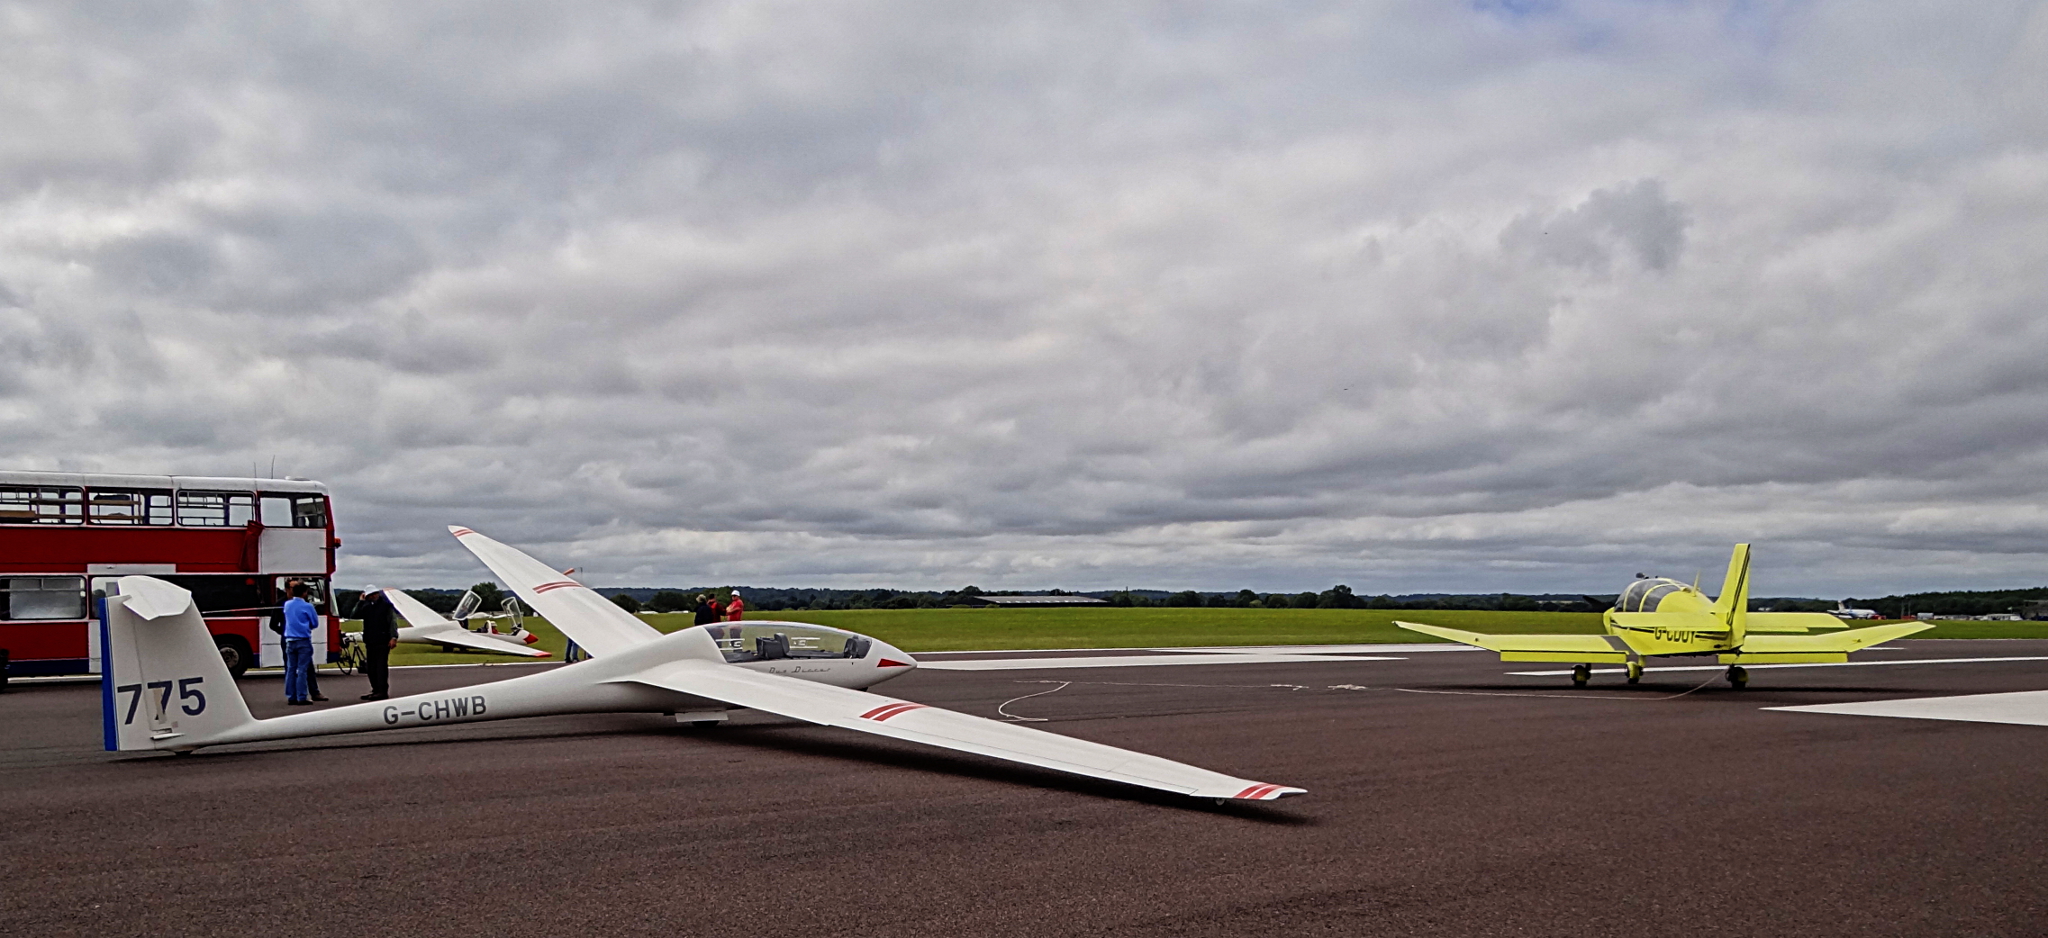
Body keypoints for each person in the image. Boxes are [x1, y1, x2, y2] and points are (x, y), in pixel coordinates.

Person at [356, 586, 399, 701]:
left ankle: (382, 691)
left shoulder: (386, 606)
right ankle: (375, 689)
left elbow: (392, 622)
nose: (373, 596)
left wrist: (393, 637)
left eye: (374, 594)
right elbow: (354, 615)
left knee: (380, 667)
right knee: (371, 668)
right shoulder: (366, 607)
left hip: (383, 640)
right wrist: (360, 602)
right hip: (370, 640)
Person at [282, 581, 320, 705]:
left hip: (290, 640)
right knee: (302, 669)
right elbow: (314, 623)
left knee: (291, 669)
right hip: (303, 639)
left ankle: (291, 696)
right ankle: (302, 696)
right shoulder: (308, 606)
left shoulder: (287, 604)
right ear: (305, 593)